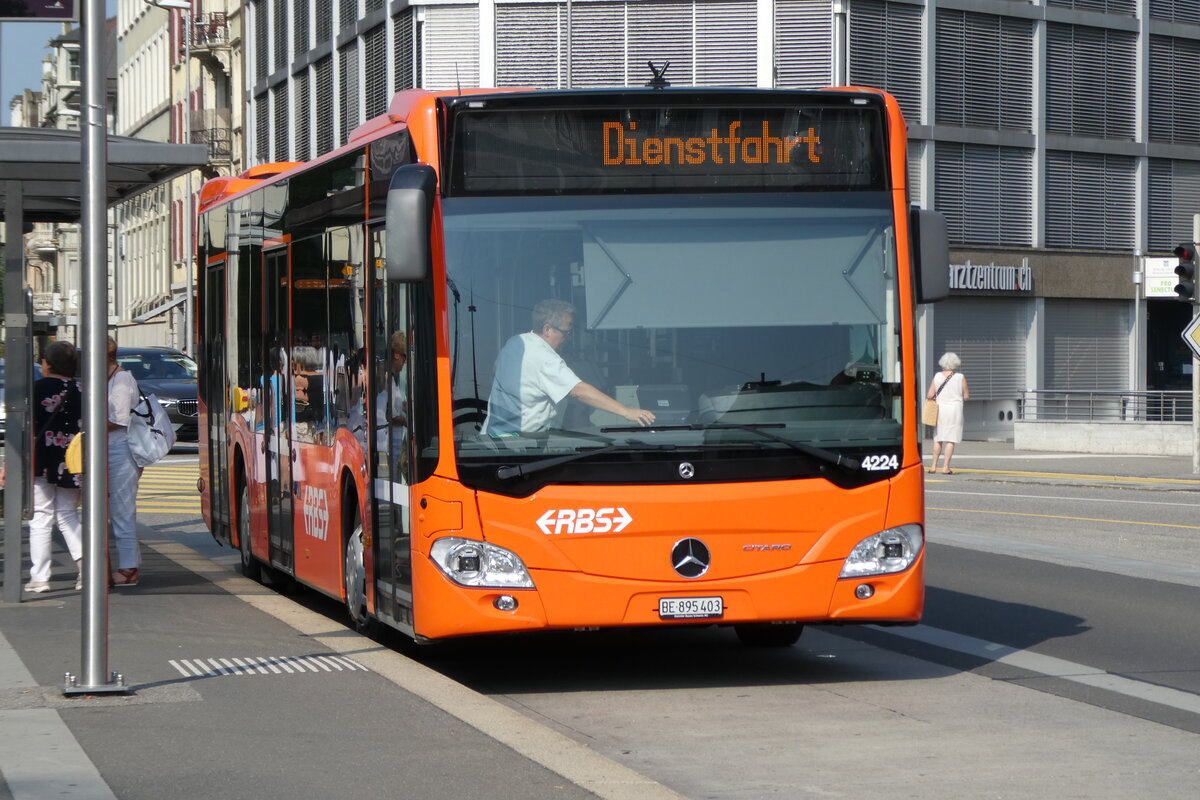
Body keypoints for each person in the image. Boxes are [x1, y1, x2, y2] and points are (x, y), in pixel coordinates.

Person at [482, 299, 656, 436]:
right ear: (547, 329)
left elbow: (499, 373)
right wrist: (626, 411)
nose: (569, 338)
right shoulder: (545, 359)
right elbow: (578, 391)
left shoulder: (515, 343)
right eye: (566, 332)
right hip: (520, 447)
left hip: (494, 438)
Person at [25, 341, 84, 593]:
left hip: (43, 457)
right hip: (73, 459)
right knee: (68, 514)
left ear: (47, 364)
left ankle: (40, 577)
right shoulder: (83, 389)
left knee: (41, 516)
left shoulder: (37, 388)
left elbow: (28, 427)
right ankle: (86, 570)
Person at [107, 335, 143, 586]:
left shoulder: (121, 380)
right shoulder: (107, 378)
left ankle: (129, 568)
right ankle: (125, 565)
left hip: (121, 450)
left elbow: (118, 420)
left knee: (122, 509)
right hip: (109, 449)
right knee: (113, 510)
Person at [927, 352, 970, 475]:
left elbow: (930, 395)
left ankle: (933, 466)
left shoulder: (937, 376)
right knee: (951, 439)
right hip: (955, 410)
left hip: (940, 409)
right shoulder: (960, 377)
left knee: (938, 438)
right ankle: (945, 467)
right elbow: (966, 396)